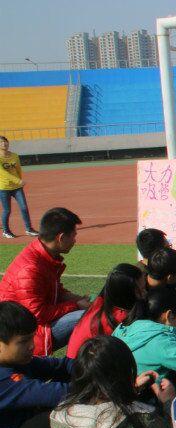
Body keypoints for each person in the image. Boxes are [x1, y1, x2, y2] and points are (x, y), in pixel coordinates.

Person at [0, 302, 72, 428]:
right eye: (23, 341)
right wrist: (113, 384)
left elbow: (62, 366)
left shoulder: (17, 361)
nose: (32, 345)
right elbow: (60, 394)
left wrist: (98, 364)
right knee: (63, 412)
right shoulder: (3, 380)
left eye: (32, 337)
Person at [0, 207, 89, 355]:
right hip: (23, 334)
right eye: (73, 236)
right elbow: (37, 315)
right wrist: (75, 305)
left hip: (30, 326)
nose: (75, 241)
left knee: (90, 311)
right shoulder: (31, 269)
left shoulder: (43, 255)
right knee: (87, 318)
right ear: (61, 238)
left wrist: (79, 300)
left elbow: (56, 291)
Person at [112, 287, 176, 386]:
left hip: (120, 388)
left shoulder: (123, 327)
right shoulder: (161, 341)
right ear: (169, 315)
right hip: (148, 393)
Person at [66, 263, 146, 359]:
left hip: (77, 360)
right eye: (140, 290)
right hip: (83, 364)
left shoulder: (102, 301)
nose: (145, 293)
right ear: (126, 293)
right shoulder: (120, 317)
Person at [0, 136, 38, 238]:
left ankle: (29, 229)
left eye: (5, 142)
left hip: (17, 188)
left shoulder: (14, 156)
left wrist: (19, 181)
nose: (4, 144)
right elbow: (3, 173)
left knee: (24, 207)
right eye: (1, 142)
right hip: (4, 188)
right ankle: (6, 231)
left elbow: (18, 169)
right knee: (7, 210)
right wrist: (18, 180)